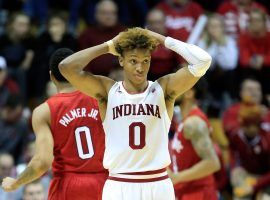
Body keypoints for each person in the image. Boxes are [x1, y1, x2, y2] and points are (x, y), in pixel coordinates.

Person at [59, 27, 212, 200]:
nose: (140, 67)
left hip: (158, 182)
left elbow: (203, 61)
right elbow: (66, 67)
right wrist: (108, 46)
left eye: (146, 61)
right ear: (121, 60)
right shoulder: (107, 91)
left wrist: (160, 38)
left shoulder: (164, 89)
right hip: (119, 183)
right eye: (133, 61)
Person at [1, 48, 108, 200]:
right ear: (77, 72)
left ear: (51, 76)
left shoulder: (44, 111)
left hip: (68, 185)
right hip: (104, 182)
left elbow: (42, 162)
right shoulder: (102, 99)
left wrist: (16, 182)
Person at [168, 84, 221, 200]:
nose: (170, 90)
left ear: (189, 93)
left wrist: (176, 178)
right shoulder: (183, 121)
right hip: (186, 192)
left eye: (174, 85)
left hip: (199, 193)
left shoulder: (193, 123)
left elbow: (212, 163)